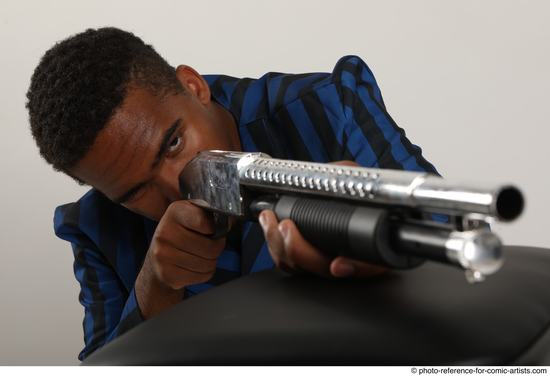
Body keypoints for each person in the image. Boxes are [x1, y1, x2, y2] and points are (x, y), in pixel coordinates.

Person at [26, 27, 442, 361]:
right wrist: (156, 289)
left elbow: (441, 236)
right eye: (137, 192)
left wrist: (374, 253)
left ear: (193, 87)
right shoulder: (94, 228)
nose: (176, 188)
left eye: (173, 144)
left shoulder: (329, 108)